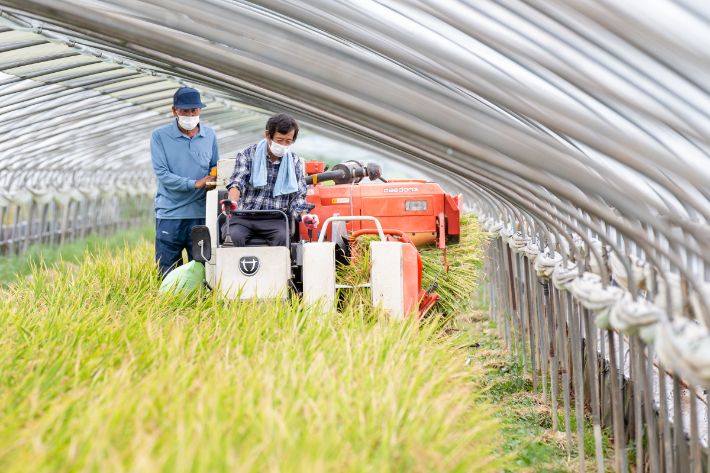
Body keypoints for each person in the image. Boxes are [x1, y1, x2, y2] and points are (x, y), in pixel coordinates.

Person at [150, 87, 219, 275]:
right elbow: (162, 174)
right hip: (170, 214)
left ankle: (200, 304)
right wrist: (195, 183)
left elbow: (215, 170)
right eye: (184, 111)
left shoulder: (210, 135)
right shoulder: (160, 136)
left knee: (203, 269)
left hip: (200, 214)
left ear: (200, 111)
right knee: (168, 270)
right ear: (174, 111)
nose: (190, 115)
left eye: (194, 110)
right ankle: (169, 304)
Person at [224, 113, 319, 246]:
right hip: (244, 216)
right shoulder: (248, 154)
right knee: (233, 237)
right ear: (268, 135)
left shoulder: (293, 161)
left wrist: (304, 216)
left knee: (282, 238)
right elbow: (237, 182)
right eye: (279, 140)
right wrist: (232, 202)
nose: (283, 145)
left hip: (275, 218)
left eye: (288, 141)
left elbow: (297, 196)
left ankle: (278, 267)